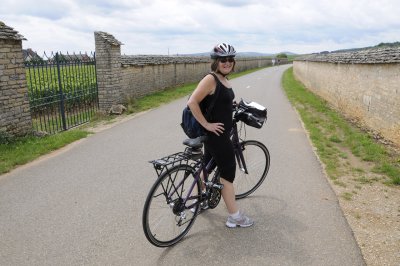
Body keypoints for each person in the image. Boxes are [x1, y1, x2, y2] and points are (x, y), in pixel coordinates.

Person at [187, 43, 254, 228]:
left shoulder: (223, 79)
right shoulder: (211, 79)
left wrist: (232, 106)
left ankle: (199, 200)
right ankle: (235, 217)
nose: (227, 62)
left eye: (230, 59)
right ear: (216, 61)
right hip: (217, 137)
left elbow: (218, 101)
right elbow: (192, 101)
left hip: (215, 136)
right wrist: (207, 124)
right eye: (223, 60)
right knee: (227, 176)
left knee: (205, 168)